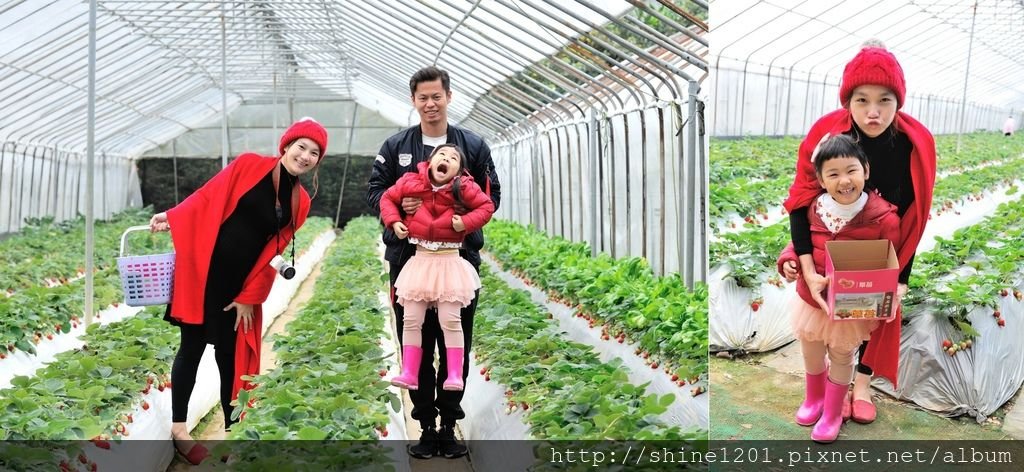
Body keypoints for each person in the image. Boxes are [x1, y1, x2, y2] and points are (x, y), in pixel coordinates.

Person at [150, 118, 327, 465]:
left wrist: (251, 296)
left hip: (240, 288)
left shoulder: (300, 201)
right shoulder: (248, 165)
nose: (305, 156)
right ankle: (179, 430)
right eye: (301, 147)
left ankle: (235, 434)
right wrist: (172, 216)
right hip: (205, 274)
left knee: (230, 359)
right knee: (192, 348)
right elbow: (207, 198)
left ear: (318, 161)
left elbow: (275, 253)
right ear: (286, 146)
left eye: (314, 153)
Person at [779, 42, 936, 425]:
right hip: (833, 250)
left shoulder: (914, 145)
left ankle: (861, 387)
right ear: (847, 100)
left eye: (885, 100)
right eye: (861, 99)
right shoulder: (827, 136)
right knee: (830, 329)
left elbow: (914, 220)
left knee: (875, 318)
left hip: (883, 246)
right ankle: (831, 394)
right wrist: (801, 261)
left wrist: (900, 279)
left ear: (899, 102)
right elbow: (802, 202)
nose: (873, 111)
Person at [367, 66, 500, 459]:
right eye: (423, 98)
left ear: (448, 97)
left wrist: (459, 208)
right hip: (408, 259)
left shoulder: (473, 146)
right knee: (417, 342)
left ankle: (449, 425)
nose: (430, 104)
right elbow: (376, 192)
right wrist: (398, 211)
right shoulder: (396, 147)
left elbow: (493, 197)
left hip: (458, 260)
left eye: (436, 96)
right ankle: (425, 425)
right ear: (413, 101)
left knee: (455, 338)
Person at [777, 134, 900, 443]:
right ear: (820, 179)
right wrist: (789, 260)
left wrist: (886, 292)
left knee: (843, 356)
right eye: (833, 174)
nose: (844, 181)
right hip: (813, 299)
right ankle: (813, 400)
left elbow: (888, 260)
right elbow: (799, 243)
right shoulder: (814, 209)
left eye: (851, 171)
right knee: (811, 351)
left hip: (850, 305)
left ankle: (832, 412)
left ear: (866, 171)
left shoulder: (882, 217)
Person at [379, 144, 495, 392]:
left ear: (459, 170)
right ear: (429, 161)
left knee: (450, 320)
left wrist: (465, 222)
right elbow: (387, 198)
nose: (447, 159)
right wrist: (395, 221)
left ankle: (454, 374)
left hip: (450, 261)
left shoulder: (463, 187)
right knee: (411, 318)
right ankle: (410, 372)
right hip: (419, 261)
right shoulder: (411, 182)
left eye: (454, 158)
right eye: (441, 155)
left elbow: (487, 207)